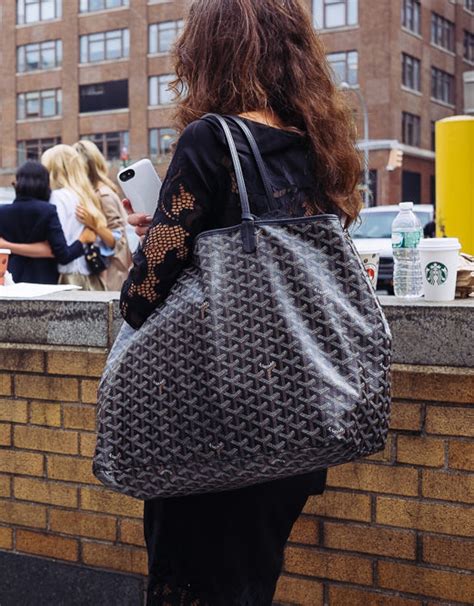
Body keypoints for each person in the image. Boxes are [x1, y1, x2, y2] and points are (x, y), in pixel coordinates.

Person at [120, 0, 362, 604]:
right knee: (251, 584)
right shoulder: (313, 142)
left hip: (214, 429)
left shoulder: (212, 139)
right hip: (297, 419)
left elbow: (145, 293)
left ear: (212, 51)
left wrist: (153, 241)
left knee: (192, 588)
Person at [0, 161, 95, 284]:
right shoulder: (47, 211)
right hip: (43, 280)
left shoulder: (2, 211)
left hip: (11, 277)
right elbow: (64, 256)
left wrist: (7, 246)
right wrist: (82, 239)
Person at [41, 144, 115, 290]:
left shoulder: (58, 197)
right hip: (90, 276)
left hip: (68, 276)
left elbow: (56, 243)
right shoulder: (85, 196)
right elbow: (109, 242)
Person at [73, 140, 132, 291]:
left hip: (112, 277)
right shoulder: (94, 192)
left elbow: (117, 240)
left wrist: (94, 224)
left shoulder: (103, 195)